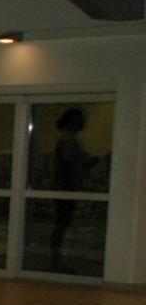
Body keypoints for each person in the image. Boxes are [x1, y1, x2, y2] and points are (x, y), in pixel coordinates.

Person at [49, 107, 90, 268]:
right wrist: (69, 189)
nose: (83, 123)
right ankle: (55, 259)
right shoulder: (66, 140)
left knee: (63, 223)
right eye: (80, 120)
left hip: (68, 187)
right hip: (66, 188)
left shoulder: (72, 140)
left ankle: (56, 258)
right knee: (61, 222)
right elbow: (66, 164)